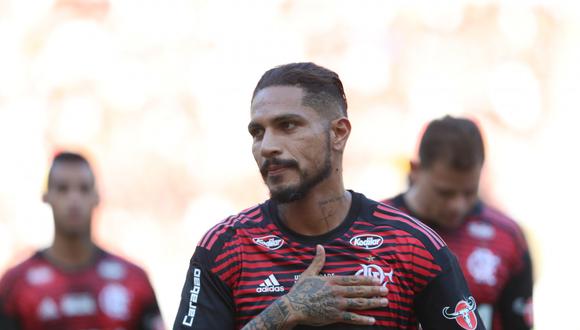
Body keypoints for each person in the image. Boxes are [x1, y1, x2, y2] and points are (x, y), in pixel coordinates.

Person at [173, 62, 485, 330]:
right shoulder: (226, 247)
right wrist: (284, 313)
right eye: (258, 132)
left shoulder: (412, 246)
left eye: (287, 125)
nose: (267, 145)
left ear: (338, 133)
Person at [382, 116, 533, 330]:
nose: (457, 205)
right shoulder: (377, 229)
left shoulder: (507, 237)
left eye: (469, 192)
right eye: (445, 192)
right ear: (415, 170)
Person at [0, 152, 165, 330]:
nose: (74, 199)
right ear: (46, 196)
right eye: (63, 188)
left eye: (84, 188)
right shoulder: (16, 283)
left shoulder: (134, 280)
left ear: (97, 197)